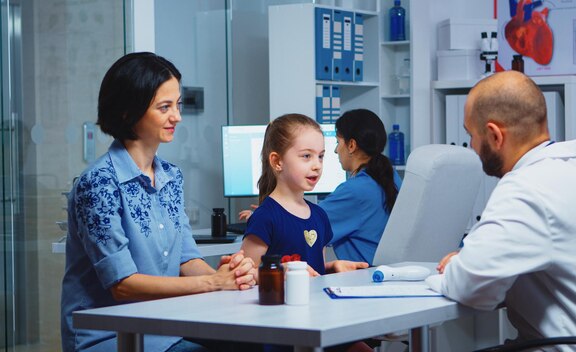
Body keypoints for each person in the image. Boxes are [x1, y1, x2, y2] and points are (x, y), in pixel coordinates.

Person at [61, 52, 259, 352]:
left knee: (257, 344)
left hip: (164, 325)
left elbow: (186, 260)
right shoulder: (99, 183)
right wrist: (214, 284)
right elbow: (123, 286)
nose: (177, 116)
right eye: (164, 107)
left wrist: (233, 278)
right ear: (128, 113)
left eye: (177, 105)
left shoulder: (170, 176)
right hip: (109, 337)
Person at [426, 71, 576, 347]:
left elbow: (470, 288)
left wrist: (453, 269)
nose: (471, 145)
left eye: (471, 135)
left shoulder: (527, 187)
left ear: (495, 136)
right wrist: (474, 257)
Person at [239, 109, 401, 265]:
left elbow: (316, 268)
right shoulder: (390, 177)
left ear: (352, 145)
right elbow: (247, 277)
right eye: (306, 156)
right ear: (277, 161)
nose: (317, 165)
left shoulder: (319, 215)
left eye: (321, 156)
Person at [318, 109, 402, 264]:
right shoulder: (392, 178)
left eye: (338, 142)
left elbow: (306, 226)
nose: (336, 150)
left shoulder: (354, 191)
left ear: (351, 145)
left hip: (367, 279)